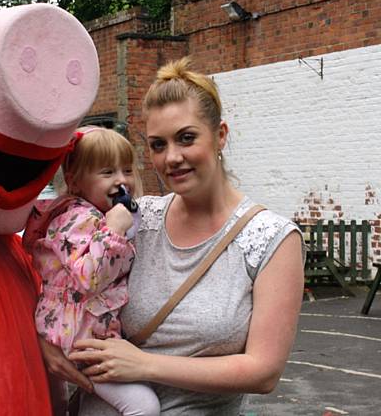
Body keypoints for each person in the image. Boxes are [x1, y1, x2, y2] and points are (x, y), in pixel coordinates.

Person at [40, 58, 304, 415]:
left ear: (221, 135)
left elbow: (263, 371)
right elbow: (59, 272)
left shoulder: (272, 238)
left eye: (186, 138)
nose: (172, 158)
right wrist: (46, 342)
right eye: (158, 145)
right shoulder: (135, 218)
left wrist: (145, 364)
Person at [23, 127, 160, 416]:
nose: (122, 180)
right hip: (78, 338)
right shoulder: (77, 218)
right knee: (144, 406)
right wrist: (114, 229)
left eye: (126, 170)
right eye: (107, 172)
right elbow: (89, 277)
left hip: (82, 332)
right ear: (74, 180)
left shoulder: (96, 214)